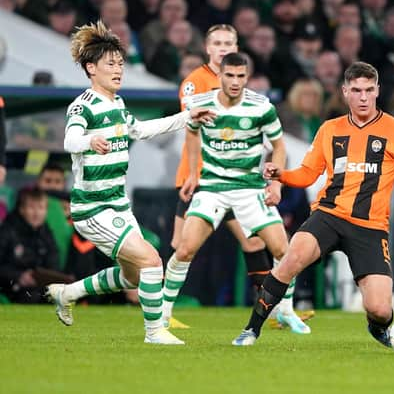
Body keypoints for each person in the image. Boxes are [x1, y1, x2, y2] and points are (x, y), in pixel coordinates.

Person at [44, 20, 214, 345]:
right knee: (152, 260)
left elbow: (143, 130)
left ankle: (68, 293)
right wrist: (89, 140)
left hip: (117, 204)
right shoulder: (83, 106)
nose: (118, 69)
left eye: (120, 63)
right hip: (93, 208)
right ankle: (154, 333)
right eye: (111, 64)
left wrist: (187, 118)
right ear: (91, 68)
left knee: (135, 275)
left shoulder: (119, 106)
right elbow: (70, 140)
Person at [232, 61, 394, 346]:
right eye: (356, 90)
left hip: (370, 227)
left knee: (381, 309)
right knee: (290, 259)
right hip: (329, 215)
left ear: (377, 91)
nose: (363, 97)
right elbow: (308, 174)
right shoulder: (330, 130)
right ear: (345, 91)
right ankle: (252, 329)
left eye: (369, 90)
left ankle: (378, 325)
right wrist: (282, 175)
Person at [167, 24, 309, 332]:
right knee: (182, 245)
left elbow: (276, 143)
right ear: (208, 48)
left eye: (228, 42)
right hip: (202, 179)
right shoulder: (195, 86)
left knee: (254, 241)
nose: (222, 47)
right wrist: (194, 173)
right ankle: (156, 309)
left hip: (238, 182)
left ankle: (271, 308)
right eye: (216, 42)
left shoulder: (251, 97)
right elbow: (192, 128)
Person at [0, 187, 66, 303]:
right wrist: (19, 276)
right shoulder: (7, 231)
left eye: (40, 208)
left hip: (40, 286)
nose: (36, 213)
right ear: (22, 209)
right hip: (11, 286)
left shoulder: (46, 233)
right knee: (31, 296)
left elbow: (54, 264)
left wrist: (46, 277)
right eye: (31, 207)